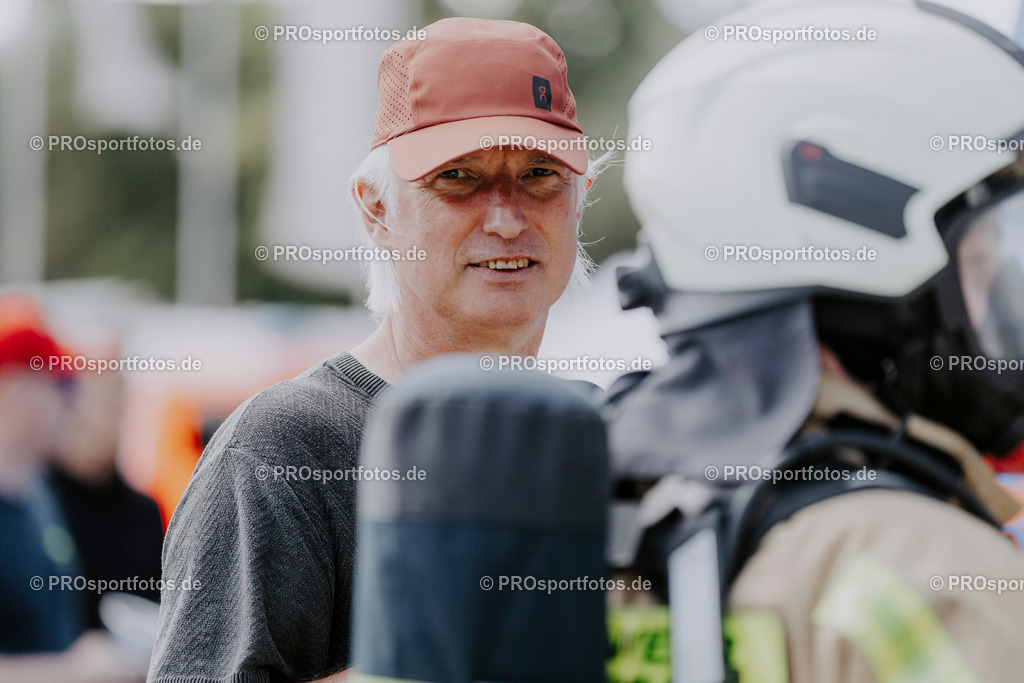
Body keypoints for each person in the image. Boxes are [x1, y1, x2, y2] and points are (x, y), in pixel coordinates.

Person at [149, 17, 602, 683]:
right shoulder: (284, 448)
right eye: (458, 177)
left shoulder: (597, 439)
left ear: (580, 198)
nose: (507, 217)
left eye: (539, 173)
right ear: (375, 210)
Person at [605, 1, 1024, 681]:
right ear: (875, 252)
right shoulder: (929, 561)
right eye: (980, 260)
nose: (1006, 294)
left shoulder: (612, 513)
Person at [0, 297, 144, 683]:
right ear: (16, 390)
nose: (69, 402)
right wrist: (70, 670)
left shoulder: (36, 497)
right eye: (59, 385)